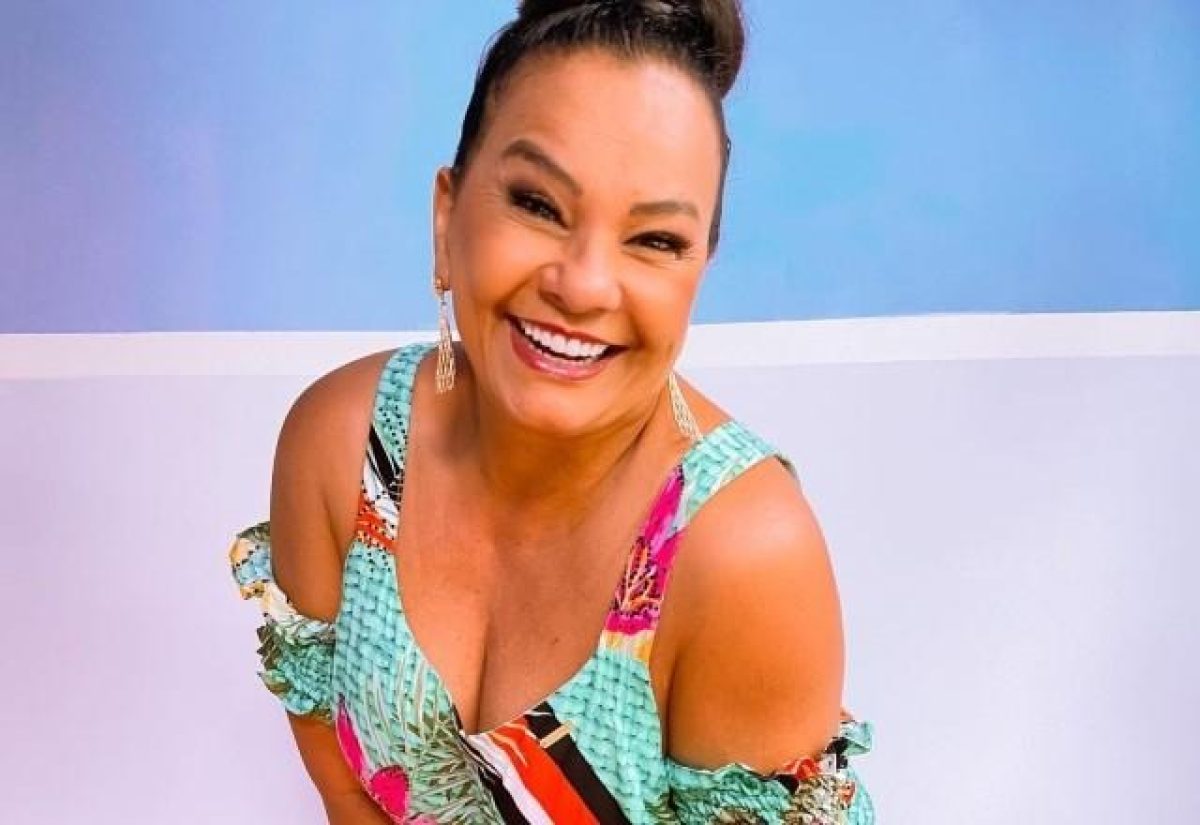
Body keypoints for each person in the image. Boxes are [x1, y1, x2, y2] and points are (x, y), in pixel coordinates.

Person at [229, 1, 874, 822]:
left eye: (655, 240)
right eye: (538, 204)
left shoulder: (741, 556)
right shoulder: (341, 448)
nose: (584, 284)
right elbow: (346, 789)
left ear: (698, 273)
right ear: (446, 216)